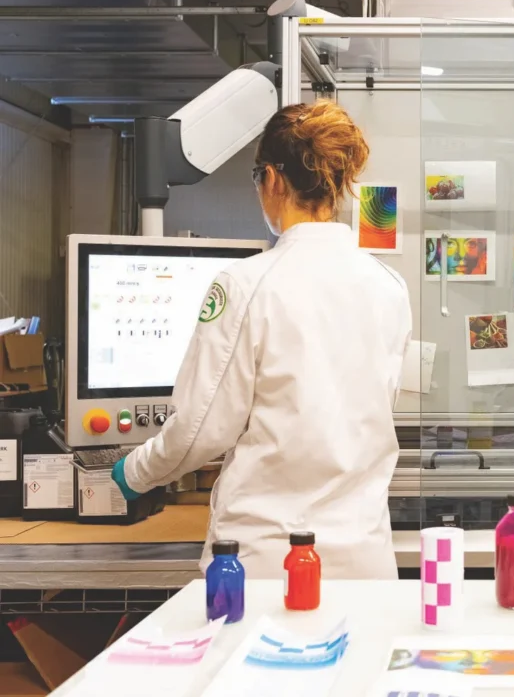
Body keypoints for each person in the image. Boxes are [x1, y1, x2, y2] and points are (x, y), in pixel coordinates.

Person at [111, 100, 412, 579]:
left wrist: (132, 473)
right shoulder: (389, 286)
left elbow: (200, 429)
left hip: (269, 563)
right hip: (364, 562)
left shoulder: (245, 285)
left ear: (272, 179)